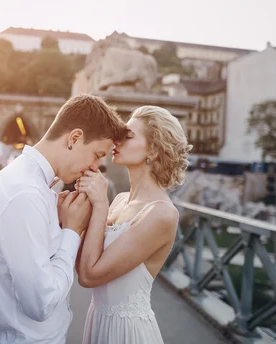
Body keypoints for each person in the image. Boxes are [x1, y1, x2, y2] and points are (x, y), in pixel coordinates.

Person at [0, 94, 129, 344]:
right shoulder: (26, 193)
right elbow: (40, 304)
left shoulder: (33, 185)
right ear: (75, 138)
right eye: (97, 154)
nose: (95, 168)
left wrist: (56, 225)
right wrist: (71, 231)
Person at [76, 105, 192, 344]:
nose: (117, 139)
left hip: (127, 333)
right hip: (98, 320)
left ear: (154, 151)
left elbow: (89, 276)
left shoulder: (161, 213)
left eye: (128, 136)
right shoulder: (119, 201)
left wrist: (99, 204)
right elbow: (83, 263)